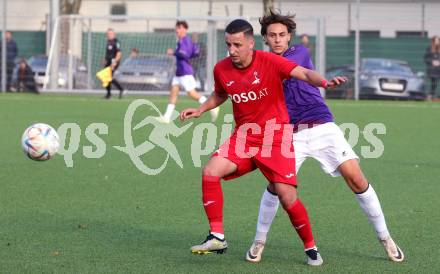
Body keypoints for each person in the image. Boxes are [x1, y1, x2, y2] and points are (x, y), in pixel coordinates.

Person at [180, 19, 346, 266]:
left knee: (287, 198)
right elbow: (220, 93)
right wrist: (201, 109)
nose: (232, 50)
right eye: (228, 44)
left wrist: (324, 83)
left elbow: (303, 73)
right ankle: (217, 237)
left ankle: (310, 247)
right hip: (245, 137)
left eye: (237, 45)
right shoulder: (222, 68)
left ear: (250, 43)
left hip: (275, 139)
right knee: (210, 172)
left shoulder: (270, 61)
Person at [245, 10, 404, 264]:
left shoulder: (298, 54)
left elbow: (288, 73)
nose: (277, 39)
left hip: (321, 125)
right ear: (264, 37)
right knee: (276, 187)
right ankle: (259, 240)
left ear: (289, 37)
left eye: (282, 35)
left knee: (356, 179)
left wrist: (324, 83)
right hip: (288, 134)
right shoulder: (258, 65)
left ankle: (385, 237)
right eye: (272, 35)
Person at [160, 20, 218, 124]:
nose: (177, 29)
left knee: (192, 94)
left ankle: (212, 106)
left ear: (185, 29)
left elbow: (184, 54)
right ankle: (166, 117)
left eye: (179, 27)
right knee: (173, 94)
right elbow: (194, 54)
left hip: (185, 72)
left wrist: (173, 52)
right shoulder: (183, 41)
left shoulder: (185, 41)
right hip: (179, 73)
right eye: (176, 27)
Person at [103, 28, 124, 99]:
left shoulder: (116, 42)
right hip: (108, 62)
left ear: (114, 34)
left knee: (108, 77)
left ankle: (111, 93)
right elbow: (108, 53)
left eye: (110, 33)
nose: (109, 35)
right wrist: (105, 60)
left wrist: (115, 62)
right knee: (106, 77)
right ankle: (117, 90)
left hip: (113, 62)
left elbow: (119, 53)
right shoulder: (108, 42)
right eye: (108, 34)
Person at [424, 36, 440, 100]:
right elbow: (426, 58)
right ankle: (431, 95)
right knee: (434, 82)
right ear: (433, 41)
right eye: (436, 40)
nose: (437, 41)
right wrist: (432, 62)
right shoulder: (429, 48)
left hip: (439, 69)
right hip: (432, 70)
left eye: (438, 40)